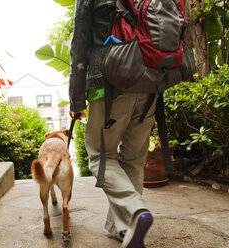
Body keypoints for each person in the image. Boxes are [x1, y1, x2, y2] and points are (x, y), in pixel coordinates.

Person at [69, 0, 155, 247]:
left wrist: (76, 99)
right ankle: (124, 230)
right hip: (150, 86)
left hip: (110, 86)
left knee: (99, 155)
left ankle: (136, 211)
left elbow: (80, 46)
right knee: (133, 159)